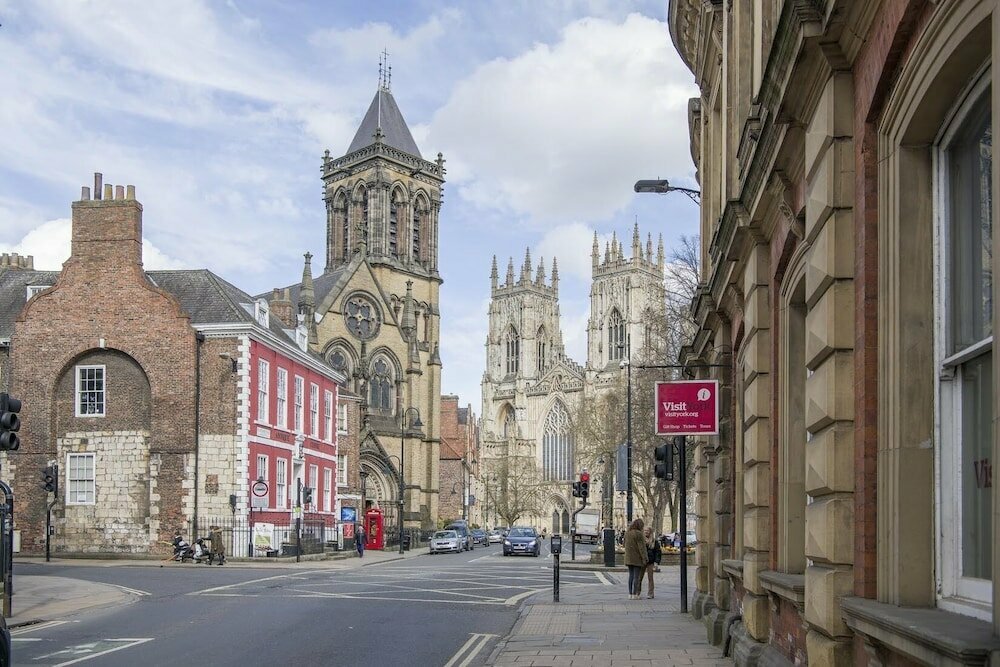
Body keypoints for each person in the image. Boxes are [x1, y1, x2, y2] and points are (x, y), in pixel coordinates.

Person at [623, 518, 648, 600]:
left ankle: (630, 593)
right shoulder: (639, 534)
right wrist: (645, 558)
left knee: (631, 576)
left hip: (628, 557)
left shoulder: (627, 533)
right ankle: (635, 594)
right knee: (636, 577)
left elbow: (624, 544)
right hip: (637, 558)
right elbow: (642, 548)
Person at [640, 526, 662, 598]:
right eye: (645, 530)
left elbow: (658, 552)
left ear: (650, 532)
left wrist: (656, 562)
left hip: (650, 561)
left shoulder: (654, 541)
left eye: (647, 531)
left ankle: (650, 593)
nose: (646, 532)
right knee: (639, 578)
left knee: (650, 578)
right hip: (642, 561)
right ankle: (637, 592)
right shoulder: (641, 541)